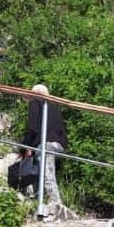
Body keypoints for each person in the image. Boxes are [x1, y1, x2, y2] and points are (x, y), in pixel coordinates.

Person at [21, 84, 71, 218]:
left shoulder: (35, 103)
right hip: (60, 144)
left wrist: (26, 147)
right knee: (42, 167)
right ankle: (42, 199)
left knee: (42, 170)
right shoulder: (54, 105)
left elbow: (32, 127)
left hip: (45, 143)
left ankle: (53, 202)